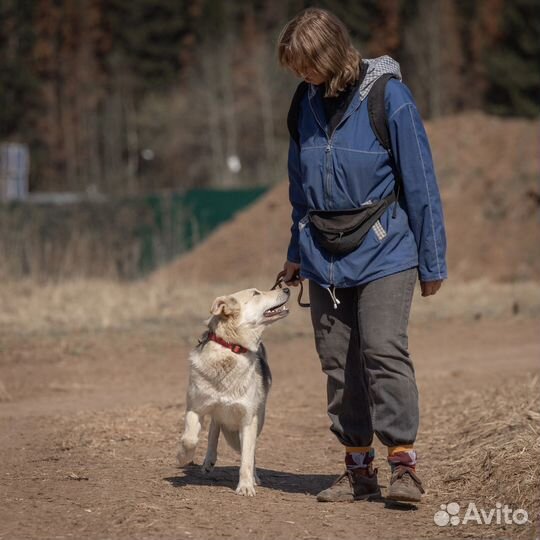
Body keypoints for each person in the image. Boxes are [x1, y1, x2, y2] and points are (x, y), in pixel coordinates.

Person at [277, 8, 447, 504]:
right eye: (294, 66)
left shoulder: (388, 98)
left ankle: (403, 467)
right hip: (322, 253)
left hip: (385, 250)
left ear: (329, 54)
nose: (300, 75)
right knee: (338, 365)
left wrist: (432, 261)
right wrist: (294, 252)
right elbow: (299, 188)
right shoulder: (302, 103)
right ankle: (358, 470)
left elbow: (421, 182)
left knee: (382, 351)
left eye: (306, 63)